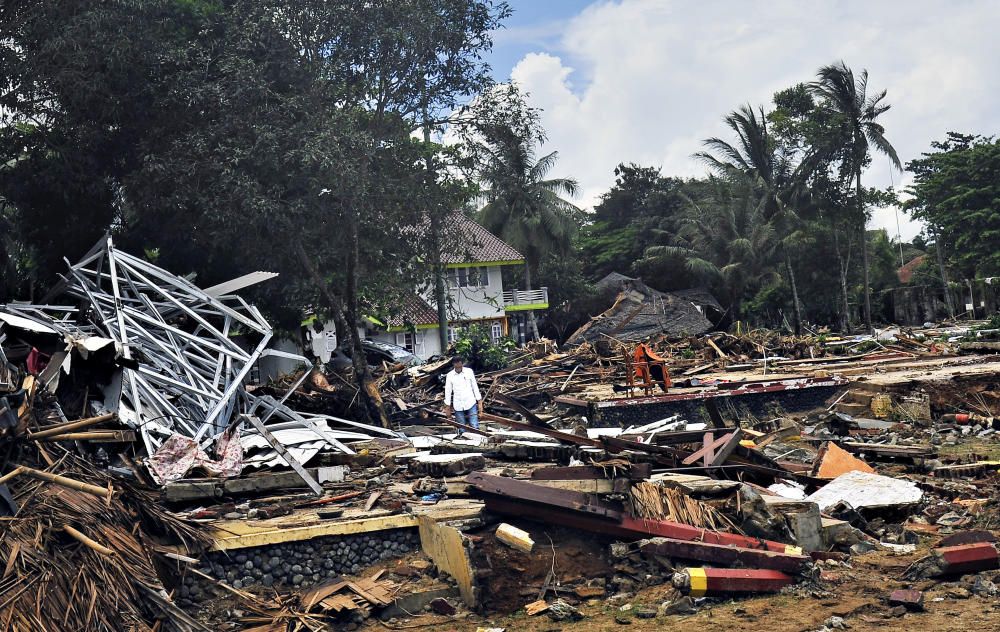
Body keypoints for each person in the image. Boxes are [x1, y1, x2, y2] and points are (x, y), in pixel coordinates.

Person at [443, 356, 482, 433]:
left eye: (460, 365)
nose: (458, 367)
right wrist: (447, 407)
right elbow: (448, 391)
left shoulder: (469, 372)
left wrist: (480, 402)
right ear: (453, 364)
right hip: (458, 404)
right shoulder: (450, 375)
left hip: (470, 401)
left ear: (462, 364)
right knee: (461, 427)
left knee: (474, 425)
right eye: (456, 365)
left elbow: (475, 387)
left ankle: (477, 440)